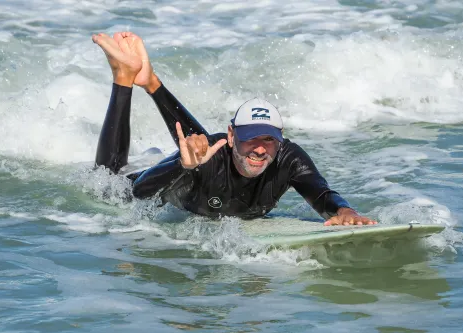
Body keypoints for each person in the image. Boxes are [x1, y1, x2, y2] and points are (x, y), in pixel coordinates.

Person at [92, 31, 377, 226]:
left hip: (207, 161)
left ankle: (151, 81)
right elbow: (140, 193)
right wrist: (182, 165)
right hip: (147, 176)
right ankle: (123, 78)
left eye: (269, 139)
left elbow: (321, 193)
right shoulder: (207, 156)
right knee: (107, 182)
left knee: (207, 150)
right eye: (251, 138)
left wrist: (344, 211)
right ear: (233, 136)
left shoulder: (287, 158)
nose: (261, 148)